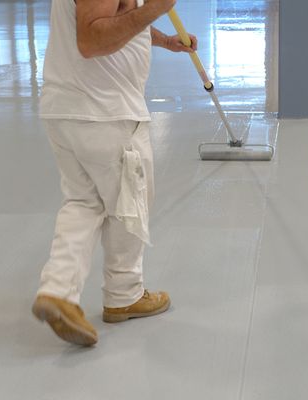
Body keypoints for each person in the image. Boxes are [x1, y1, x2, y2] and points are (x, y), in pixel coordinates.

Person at [31, 0, 197, 346]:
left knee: (84, 203)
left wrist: (163, 40)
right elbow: (92, 40)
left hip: (69, 108)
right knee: (128, 204)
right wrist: (155, 8)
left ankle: (58, 290)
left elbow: (116, 19)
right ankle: (125, 295)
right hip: (103, 111)